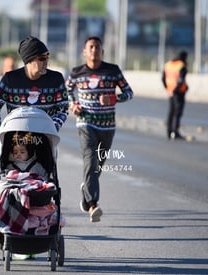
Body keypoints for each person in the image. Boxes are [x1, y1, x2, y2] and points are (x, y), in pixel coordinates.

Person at [66, 36, 133, 223]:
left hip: (107, 125)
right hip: (85, 122)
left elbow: (129, 92)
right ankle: (93, 204)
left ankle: (86, 191)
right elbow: (66, 91)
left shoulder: (112, 71)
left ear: (102, 51)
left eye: (97, 47)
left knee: (97, 165)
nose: (94, 50)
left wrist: (114, 99)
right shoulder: (77, 72)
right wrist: (74, 105)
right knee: (90, 158)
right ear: (84, 52)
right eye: (91, 47)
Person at [0, 35, 69, 134]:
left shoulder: (57, 79)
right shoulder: (10, 79)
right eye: (42, 58)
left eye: (48, 56)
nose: (46, 61)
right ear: (29, 59)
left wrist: (53, 128)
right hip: (16, 139)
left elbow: (63, 109)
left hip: (45, 136)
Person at [162, 51, 188, 140]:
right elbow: (181, 80)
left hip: (170, 91)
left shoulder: (168, 64)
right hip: (178, 92)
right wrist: (176, 90)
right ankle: (175, 132)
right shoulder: (181, 65)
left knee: (171, 112)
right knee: (177, 112)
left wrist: (168, 89)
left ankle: (169, 132)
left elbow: (163, 78)